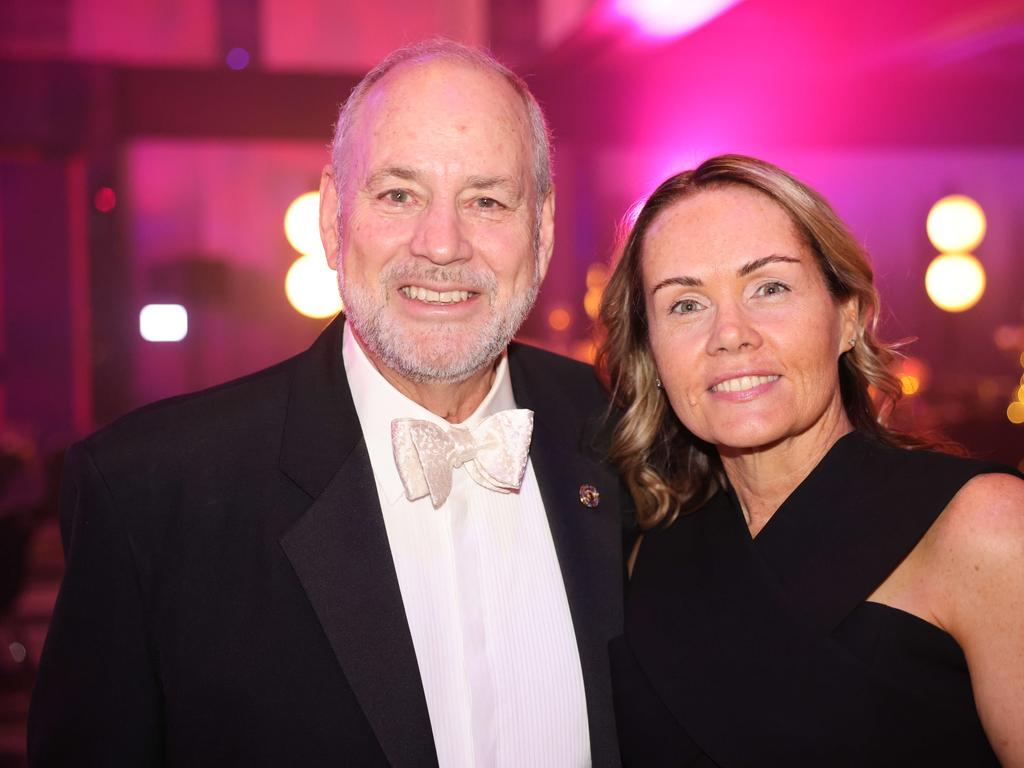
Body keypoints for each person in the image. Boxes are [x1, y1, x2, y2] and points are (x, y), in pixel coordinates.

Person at [29, 39, 627, 767]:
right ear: (332, 217)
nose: (441, 244)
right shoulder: (152, 494)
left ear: (543, 229)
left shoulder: (625, 438)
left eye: (487, 200)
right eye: (399, 194)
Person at [598, 154, 1024, 767]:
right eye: (686, 304)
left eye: (769, 288)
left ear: (846, 317)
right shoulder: (643, 558)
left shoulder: (981, 526)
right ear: (652, 354)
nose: (731, 333)